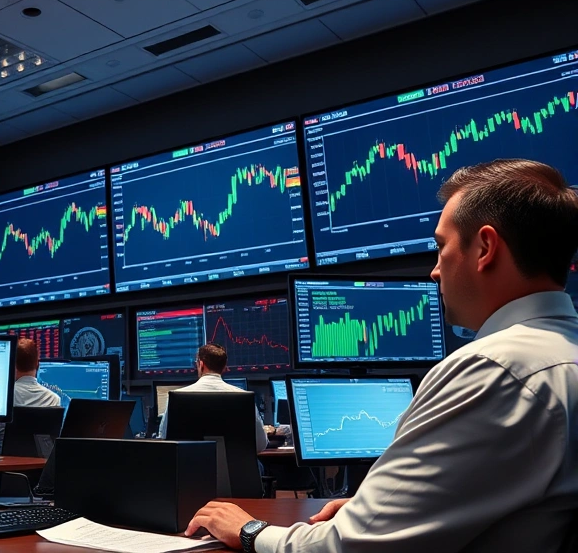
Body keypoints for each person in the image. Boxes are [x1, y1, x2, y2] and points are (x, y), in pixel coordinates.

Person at [185, 159, 578, 553]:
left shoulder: (491, 370)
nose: (434, 271)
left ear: (485, 248)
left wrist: (250, 530)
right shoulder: (559, 355)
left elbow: (347, 548)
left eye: (441, 246)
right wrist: (389, 509)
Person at [157, 343, 268, 455]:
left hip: (190, 465)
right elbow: (260, 444)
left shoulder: (177, 397)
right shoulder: (244, 398)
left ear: (201, 364)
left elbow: (164, 439)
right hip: (235, 466)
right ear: (224, 367)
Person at [0, 337, 60, 454]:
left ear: (11, 364)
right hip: (39, 465)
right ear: (37, 364)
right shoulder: (54, 399)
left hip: (3, 464)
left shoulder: (4, 397)